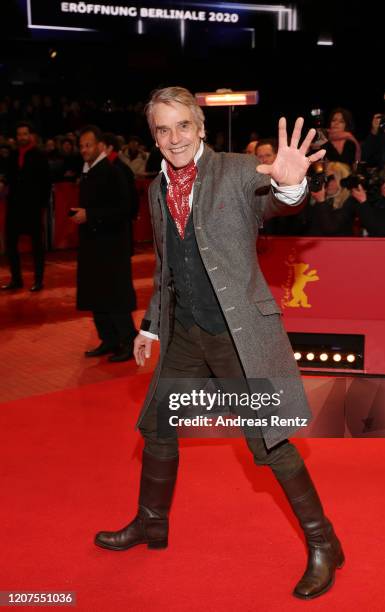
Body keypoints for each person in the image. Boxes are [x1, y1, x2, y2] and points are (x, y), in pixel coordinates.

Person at [94, 87, 344, 600]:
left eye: (182, 126)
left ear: (200, 127)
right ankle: (151, 522)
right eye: (162, 130)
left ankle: (324, 543)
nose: (173, 138)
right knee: (159, 430)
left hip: (237, 337)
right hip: (185, 332)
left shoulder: (236, 170)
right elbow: (168, 268)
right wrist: (150, 326)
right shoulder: (155, 187)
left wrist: (292, 189)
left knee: (268, 445)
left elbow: (275, 201)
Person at [72, 125, 137, 362]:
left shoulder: (113, 170)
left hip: (111, 245)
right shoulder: (89, 169)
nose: (84, 150)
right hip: (94, 244)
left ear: (100, 145)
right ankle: (108, 339)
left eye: (88, 145)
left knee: (114, 295)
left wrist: (90, 215)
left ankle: (128, 341)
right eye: (81, 146)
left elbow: (124, 209)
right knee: (96, 293)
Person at [1, 122, 50, 292]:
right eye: (19, 134)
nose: (21, 137)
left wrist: (42, 206)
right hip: (14, 207)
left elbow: (46, 183)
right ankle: (16, 279)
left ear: (30, 135)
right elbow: (8, 177)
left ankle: (38, 280)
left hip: (33, 208)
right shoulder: (12, 156)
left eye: (24, 134)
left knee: (37, 245)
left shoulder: (40, 156)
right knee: (10, 243)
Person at [350, 158, 385, 236]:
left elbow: (380, 230)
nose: (383, 187)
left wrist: (363, 203)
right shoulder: (384, 194)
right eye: (383, 182)